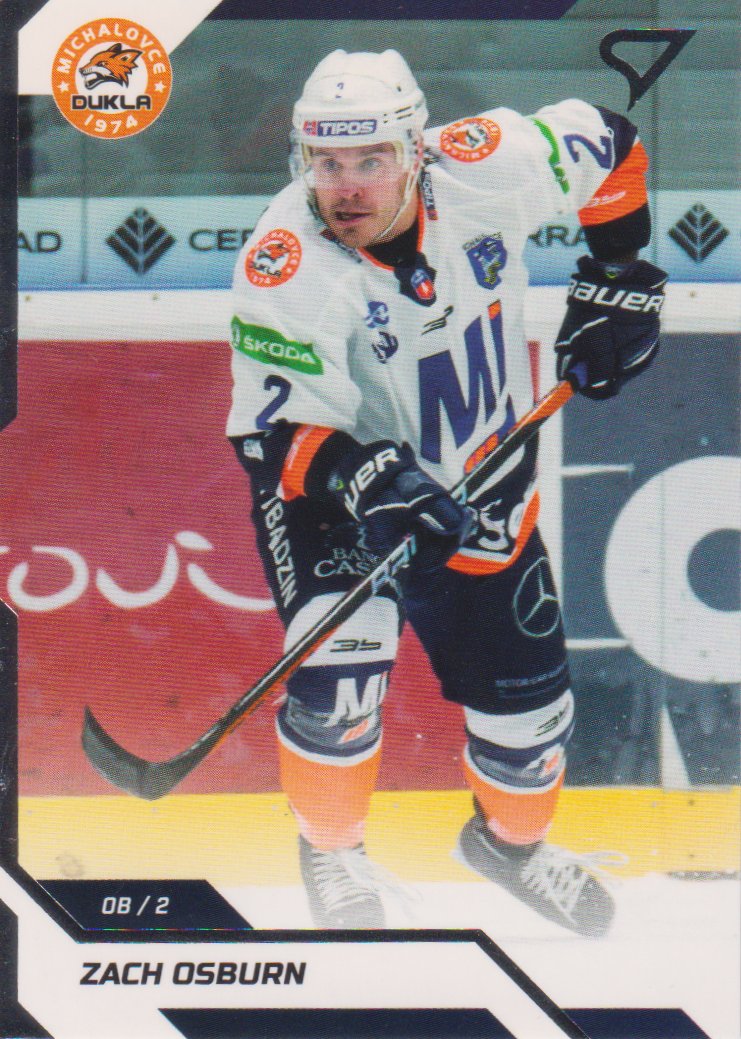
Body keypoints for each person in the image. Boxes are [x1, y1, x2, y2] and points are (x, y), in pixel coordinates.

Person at [227, 49, 666, 936]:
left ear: (416, 150)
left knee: (529, 729)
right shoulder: (285, 263)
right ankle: (332, 850)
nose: (346, 186)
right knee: (341, 684)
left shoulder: (487, 165)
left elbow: (612, 142)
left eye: (371, 159)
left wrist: (617, 274)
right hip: (337, 502)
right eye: (326, 162)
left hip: (484, 492)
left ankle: (508, 848)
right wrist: (367, 477)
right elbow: (266, 436)